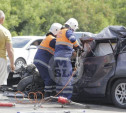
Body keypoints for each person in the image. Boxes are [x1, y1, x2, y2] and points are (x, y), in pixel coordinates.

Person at [54, 18, 82, 99]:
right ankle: (66, 98)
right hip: (64, 58)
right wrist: (78, 47)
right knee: (67, 78)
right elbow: (72, 39)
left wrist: (72, 50)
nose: (74, 31)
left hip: (57, 58)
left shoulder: (60, 32)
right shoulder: (68, 31)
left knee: (60, 77)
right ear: (72, 26)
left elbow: (63, 45)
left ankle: (59, 97)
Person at [34, 23, 62, 97]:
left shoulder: (48, 37)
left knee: (50, 77)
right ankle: (47, 96)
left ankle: (51, 94)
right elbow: (60, 47)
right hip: (42, 61)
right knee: (49, 77)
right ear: (56, 31)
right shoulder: (52, 40)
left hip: (40, 60)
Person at [0, 10, 15, 86]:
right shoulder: (5, 32)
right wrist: (12, 64)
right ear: (2, 19)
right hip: (1, 60)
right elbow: (10, 50)